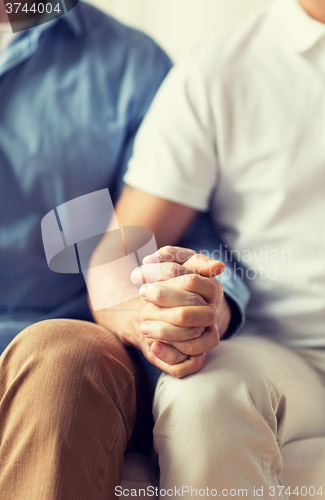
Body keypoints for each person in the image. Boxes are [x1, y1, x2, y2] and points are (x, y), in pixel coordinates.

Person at [0, 2, 248, 498]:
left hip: (58, 348)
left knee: (63, 362)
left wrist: (191, 303)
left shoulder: (135, 67)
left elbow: (185, 234)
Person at [89, 0, 325, 497]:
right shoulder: (220, 73)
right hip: (289, 354)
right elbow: (118, 254)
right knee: (205, 394)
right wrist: (153, 318)